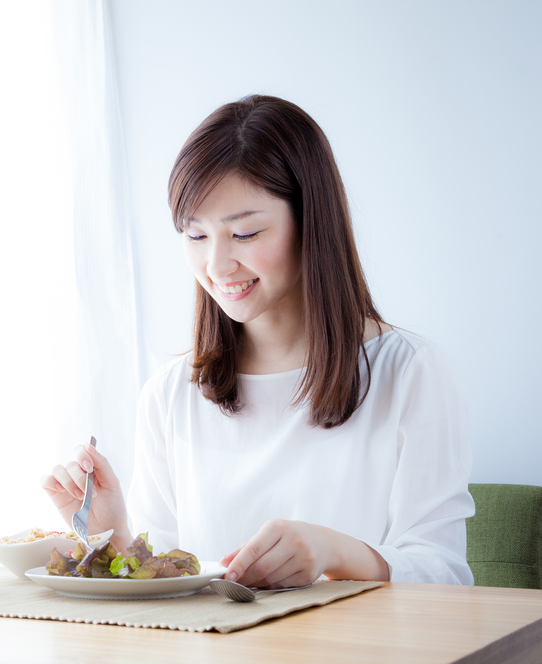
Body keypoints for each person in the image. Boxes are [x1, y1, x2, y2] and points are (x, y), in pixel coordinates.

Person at [40, 94, 474, 587]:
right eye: (196, 236)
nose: (217, 267)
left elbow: (447, 577)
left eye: (244, 234)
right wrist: (114, 537)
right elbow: (172, 585)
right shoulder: (171, 394)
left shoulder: (410, 372)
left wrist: (336, 552)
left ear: (312, 222)